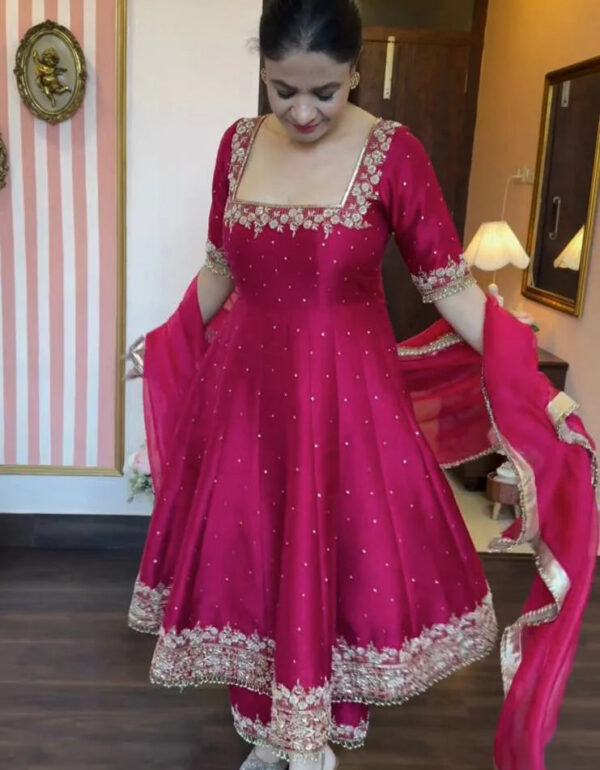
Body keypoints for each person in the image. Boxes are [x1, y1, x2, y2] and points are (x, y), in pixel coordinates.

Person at [125, 2, 598, 770]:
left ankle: (309, 742)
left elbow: (452, 291)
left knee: (328, 568)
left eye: (324, 92)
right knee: (255, 565)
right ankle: (273, 734)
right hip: (243, 404)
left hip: (342, 410)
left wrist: (532, 381)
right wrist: (164, 340)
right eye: (282, 91)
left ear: (355, 71)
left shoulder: (394, 154)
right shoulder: (237, 146)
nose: (302, 112)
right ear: (262, 72)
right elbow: (219, 269)